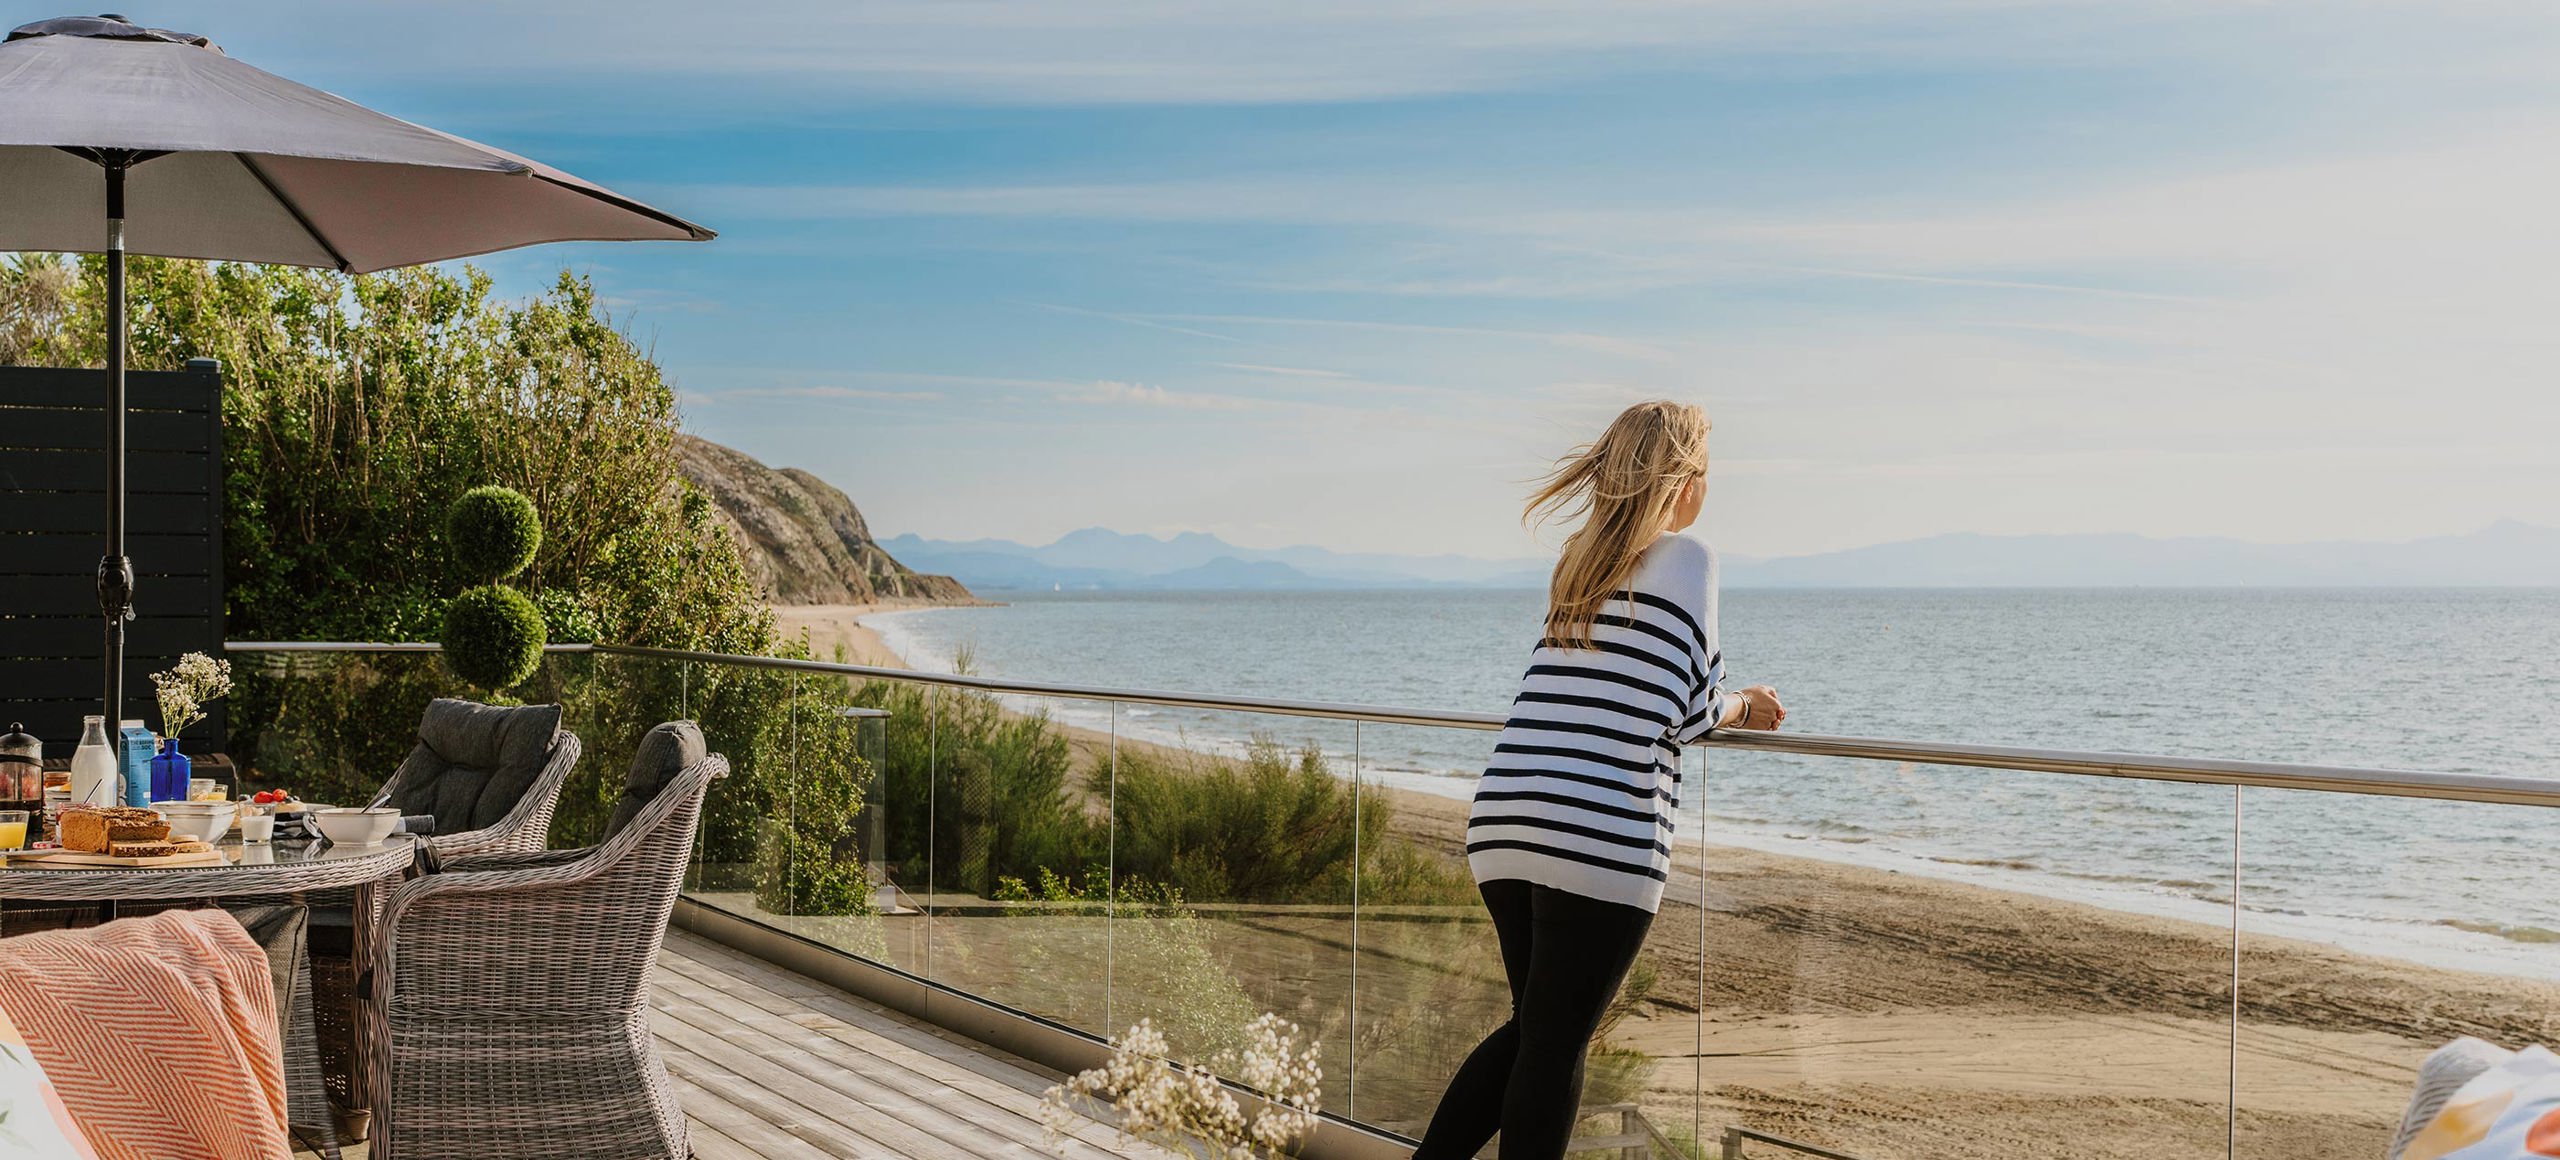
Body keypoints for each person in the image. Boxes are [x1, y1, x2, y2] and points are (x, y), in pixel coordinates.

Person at [1413, 400, 1783, 1159]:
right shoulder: (1690, 558)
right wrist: (1750, 704)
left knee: (1534, 1033)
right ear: (1684, 482)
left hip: (1506, 819)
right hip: (1599, 831)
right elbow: (1688, 711)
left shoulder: (1581, 556)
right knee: (1554, 1048)